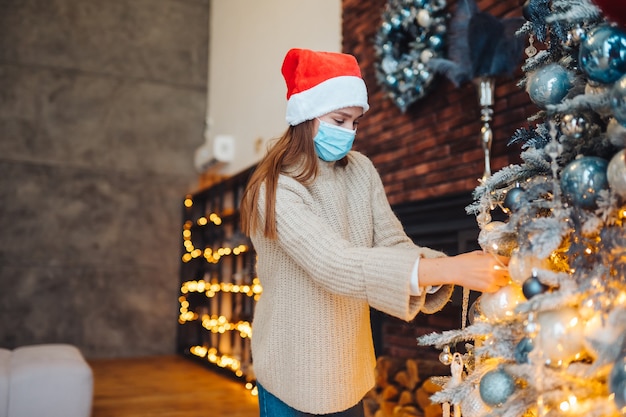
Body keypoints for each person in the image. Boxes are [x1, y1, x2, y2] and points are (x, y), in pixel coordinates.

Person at [239, 48, 510, 417]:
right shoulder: (275, 188)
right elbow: (334, 264)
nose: (349, 132)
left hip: (349, 367)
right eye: (340, 119)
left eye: (356, 123)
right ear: (306, 115)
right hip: (291, 371)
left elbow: (392, 243)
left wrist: (448, 269)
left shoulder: (361, 170)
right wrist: (447, 270)